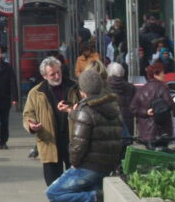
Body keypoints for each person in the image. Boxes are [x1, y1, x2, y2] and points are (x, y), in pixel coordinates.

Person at [45, 68, 122, 202]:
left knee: (53, 192)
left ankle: (96, 197)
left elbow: (78, 144)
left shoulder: (86, 110)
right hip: (107, 164)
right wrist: (72, 112)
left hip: (88, 166)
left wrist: (74, 163)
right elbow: (95, 120)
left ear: (82, 91)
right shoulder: (111, 107)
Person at [23, 56, 81, 186]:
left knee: (75, 184)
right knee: (53, 185)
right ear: (44, 76)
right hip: (49, 142)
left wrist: (72, 110)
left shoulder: (74, 87)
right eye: (52, 74)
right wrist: (31, 125)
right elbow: (28, 114)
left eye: (58, 72)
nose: (56, 76)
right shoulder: (36, 93)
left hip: (73, 142)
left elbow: (85, 109)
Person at [130, 62, 174, 146]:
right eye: (162, 73)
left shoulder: (141, 89)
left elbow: (132, 107)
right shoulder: (163, 88)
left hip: (145, 132)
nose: (164, 75)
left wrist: (145, 112)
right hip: (161, 131)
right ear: (155, 74)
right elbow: (170, 105)